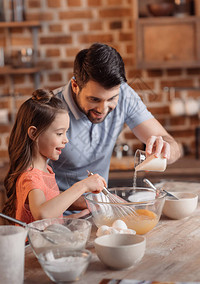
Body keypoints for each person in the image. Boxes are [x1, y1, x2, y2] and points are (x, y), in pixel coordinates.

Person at [50, 42, 181, 212]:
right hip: (57, 219)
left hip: (100, 212)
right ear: (75, 86)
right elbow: (30, 189)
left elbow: (174, 148)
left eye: (112, 99)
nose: (102, 110)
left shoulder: (125, 94)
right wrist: (96, 201)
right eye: (94, 99)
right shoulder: (49, 110)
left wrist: (165, 149)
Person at [3, 89, 106, 223]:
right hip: (32, 244)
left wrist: (70, 217)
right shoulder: (31, 177)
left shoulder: (46, 170)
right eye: (59, 134)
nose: (66, 140)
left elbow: (45, 213)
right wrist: (83, 186)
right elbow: (42, 213)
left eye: (66, 132)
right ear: (34, 134)